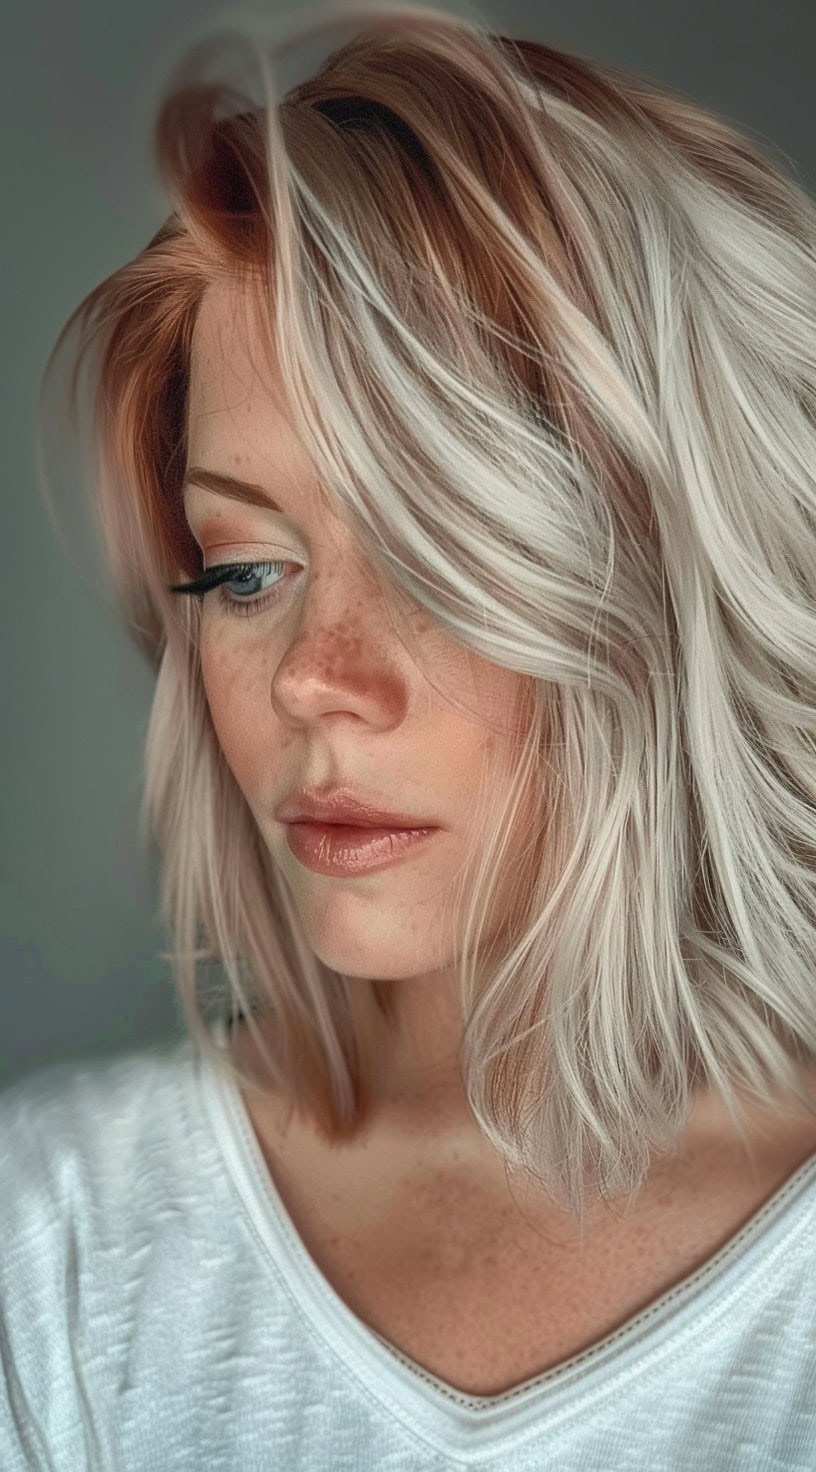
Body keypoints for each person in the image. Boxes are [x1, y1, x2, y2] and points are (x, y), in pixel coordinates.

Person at [3, 1, 816, 1465]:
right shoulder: (46, 1244)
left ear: (683, 578)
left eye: (442, 561)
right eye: (246, 571)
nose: (317, 679)